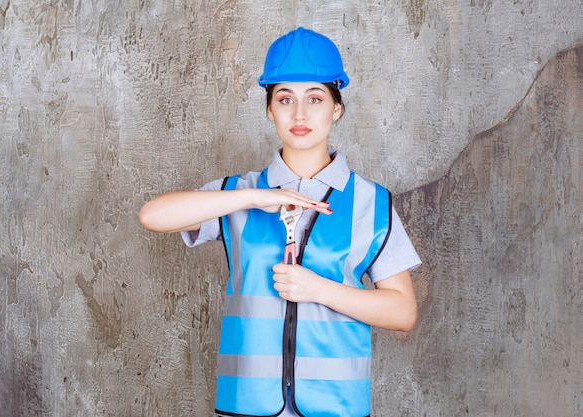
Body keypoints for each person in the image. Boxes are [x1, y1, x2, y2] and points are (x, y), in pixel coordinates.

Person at [139, 27, 421, 417]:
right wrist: (255, 197)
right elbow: (151, 216)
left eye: (315, 98)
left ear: (336, 108)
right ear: (270, 109)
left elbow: (403, 312)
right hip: (246, 406)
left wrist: (318, 289)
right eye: (285, 99)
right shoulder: (235, 193)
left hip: (337, 408)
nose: (300, 114)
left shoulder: (372, 203)